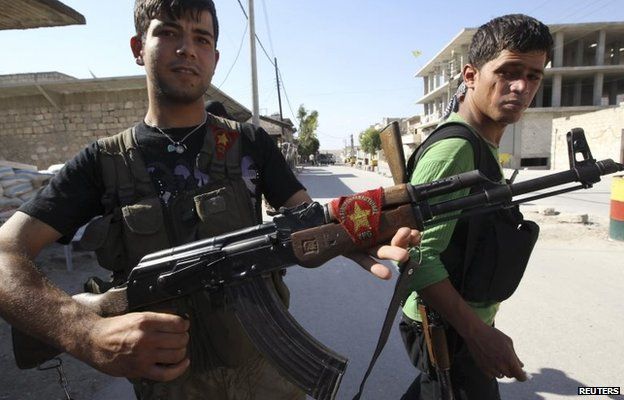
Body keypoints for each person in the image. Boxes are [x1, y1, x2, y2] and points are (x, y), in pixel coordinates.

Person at [0, 1, 419, 399]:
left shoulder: (250, 143)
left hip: (267, 380)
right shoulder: (102, 163)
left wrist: (354, 230)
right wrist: (83, 333)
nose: (187, 49)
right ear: (137, 48)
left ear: (215, 58)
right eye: (168, 33)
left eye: (202, 38)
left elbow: (305, 220)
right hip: (169, 386)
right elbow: (5, 253)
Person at [400, 14, 553, 400]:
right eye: (508, 72)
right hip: (444, 327)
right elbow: (416, 254)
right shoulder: (455, 149)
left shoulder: (482, 144)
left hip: (458, 322)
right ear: (471, 76)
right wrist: (478, 333)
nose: (520, 86)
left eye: (533, 75)